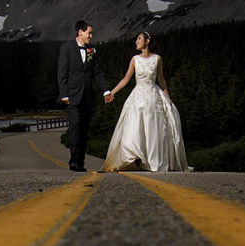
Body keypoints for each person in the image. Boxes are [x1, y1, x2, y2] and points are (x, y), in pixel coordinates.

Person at [101, 32, 188, 172]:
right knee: (134, 126)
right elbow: (126, 79)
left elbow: (161, 80)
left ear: (147, 41)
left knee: (153, 127)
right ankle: (134, 156)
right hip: (138, 96)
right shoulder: (135, 59)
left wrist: (168, 97)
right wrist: (112, 92)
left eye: (139, 39)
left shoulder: (157, 59)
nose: (136, 41)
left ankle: (149, 159)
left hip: (153, 95)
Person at [56, 20, 113, 172]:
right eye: (89, 33)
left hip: (87, 97)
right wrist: (64, 94)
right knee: (75, 127)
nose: (91, 36)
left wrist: (106, 91)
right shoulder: (66, 47)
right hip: (72, 97)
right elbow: (62, 72)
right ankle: (73, 161)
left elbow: (97, 73)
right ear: (80, 32)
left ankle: (80, 162)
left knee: (84, 130)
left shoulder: (91, 50)